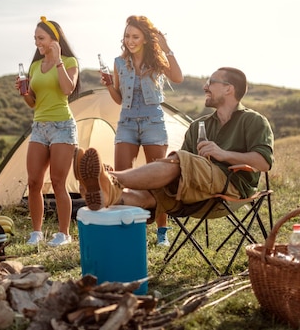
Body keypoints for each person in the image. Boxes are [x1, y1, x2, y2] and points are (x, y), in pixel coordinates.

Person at [77, 67, 274, 225]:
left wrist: (223, 154)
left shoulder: (253, 120)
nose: (205, 87)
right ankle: (106, 194)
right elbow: (180, 169)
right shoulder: (199, 125)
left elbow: (264, 163)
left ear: (228, 88)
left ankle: (110, 179)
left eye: (210, 82)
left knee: (179, 160)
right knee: (149, 196)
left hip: (231, 188)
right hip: (194, 190)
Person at [94, 15, 183, 246]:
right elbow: (119, 99)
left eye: (135, 36)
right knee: (122, 176)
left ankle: (162, 229)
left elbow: (178, 77)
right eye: (127, 36)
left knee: (158, 179)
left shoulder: (157, 61)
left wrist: (167, 48)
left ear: (144, 39)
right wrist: (109, 86)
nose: (130, 41)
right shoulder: (119, 62)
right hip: (127, 122)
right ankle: (128, 228)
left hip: (153, 121)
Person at [16, 16, 80, 247]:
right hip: (39, 127)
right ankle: (37, 232)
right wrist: (24, 92)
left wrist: (58, 60)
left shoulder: (69, 62)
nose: (37, 43)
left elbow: (67, 89)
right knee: (34, 182)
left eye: (41, 38)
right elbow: (34, 103)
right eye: (35, 38)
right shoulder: (34, 66)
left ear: (54, 40)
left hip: (62, 126)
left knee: (58, 181)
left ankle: (63, 234)